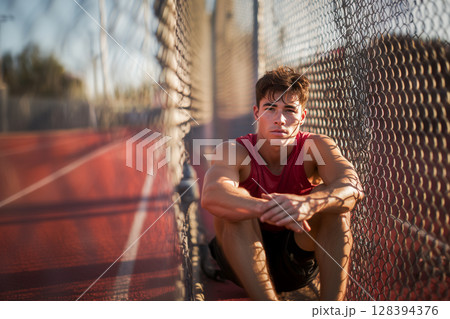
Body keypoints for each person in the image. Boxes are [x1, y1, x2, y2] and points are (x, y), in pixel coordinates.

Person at [201, 66, 364, 301]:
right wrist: (268, 208)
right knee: (235, 208)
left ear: (302, 116)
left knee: (335, 210)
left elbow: (353, 187)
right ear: (256, 113)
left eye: (289, 110)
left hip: (296, 261)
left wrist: (309, 204)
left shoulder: (317, 146)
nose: (280, 119)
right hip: (241, 261)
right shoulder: (234, 150)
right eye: (270, 108)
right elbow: (212, 194)